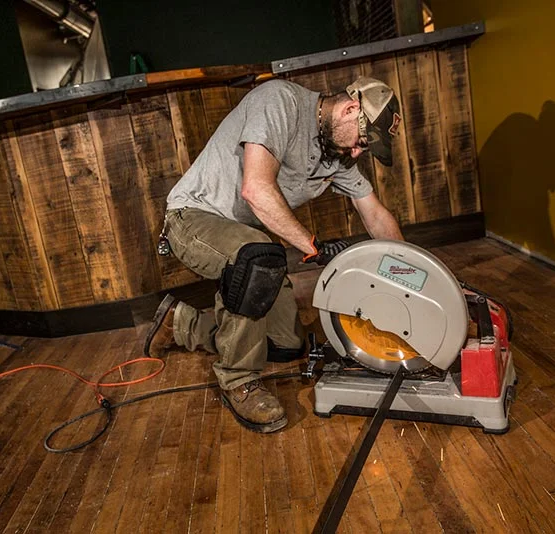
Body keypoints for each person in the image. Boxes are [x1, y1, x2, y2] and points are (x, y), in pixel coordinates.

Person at [143, 76, 405, 433]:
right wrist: (312, 247)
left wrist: (410, 275)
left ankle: (180, 324)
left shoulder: (337, 157)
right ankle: (238, 381)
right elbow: (256, 188)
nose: (357, 154)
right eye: (360, 143)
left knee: (285, 345)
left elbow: (374, 213)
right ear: (350, 108)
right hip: (192, 218)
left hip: (249, 239)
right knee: (257, 260)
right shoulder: (281, 101)